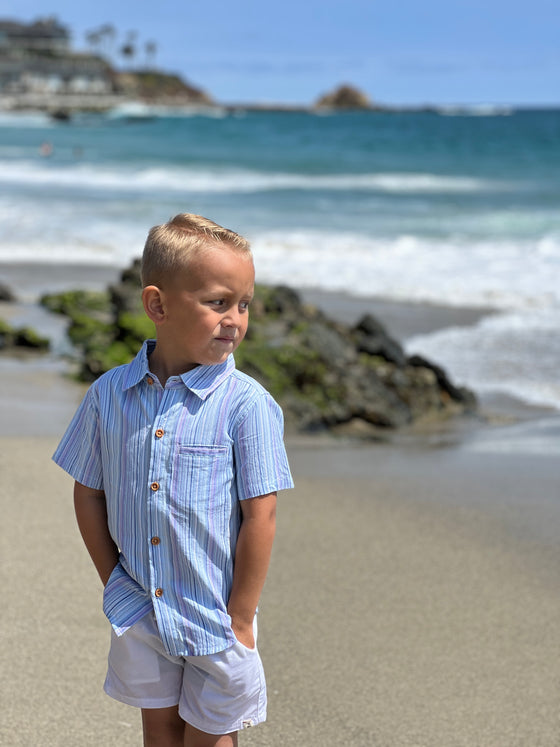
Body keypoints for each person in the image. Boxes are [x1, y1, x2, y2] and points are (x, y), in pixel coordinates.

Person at [53, 213, 294, 746]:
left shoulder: (246, 406)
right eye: (217, 302)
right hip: (141, 607)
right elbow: (88, 490)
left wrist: (242, 616)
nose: (234, 319)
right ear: (157, 305)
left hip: (214, 616)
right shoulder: (110, 395)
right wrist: (112, 579)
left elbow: (262, 514)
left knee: (211, 738)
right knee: (160, 735)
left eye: (244, 303)